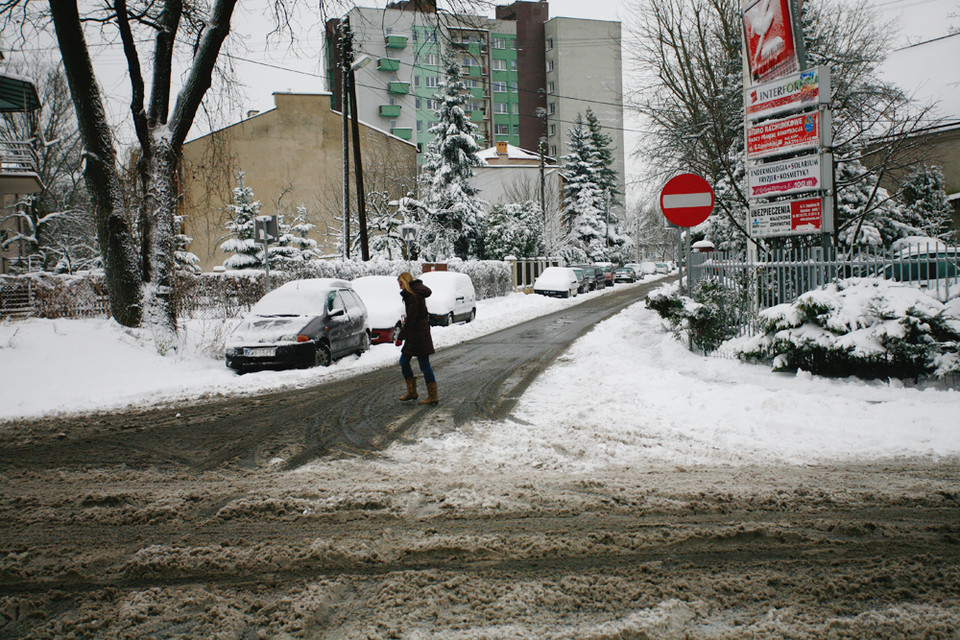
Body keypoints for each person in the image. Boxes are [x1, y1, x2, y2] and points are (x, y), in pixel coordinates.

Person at [396, 271, 439, 405]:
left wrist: (400, 336)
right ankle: (413, 392)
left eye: (401, 284)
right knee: (407, 362)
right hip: (417, 334)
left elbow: (412, 320)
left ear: (406, 282)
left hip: (418, 335)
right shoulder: (414, 294)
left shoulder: (412, 296)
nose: (400, 287)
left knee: (422, 364)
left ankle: (431, 396)